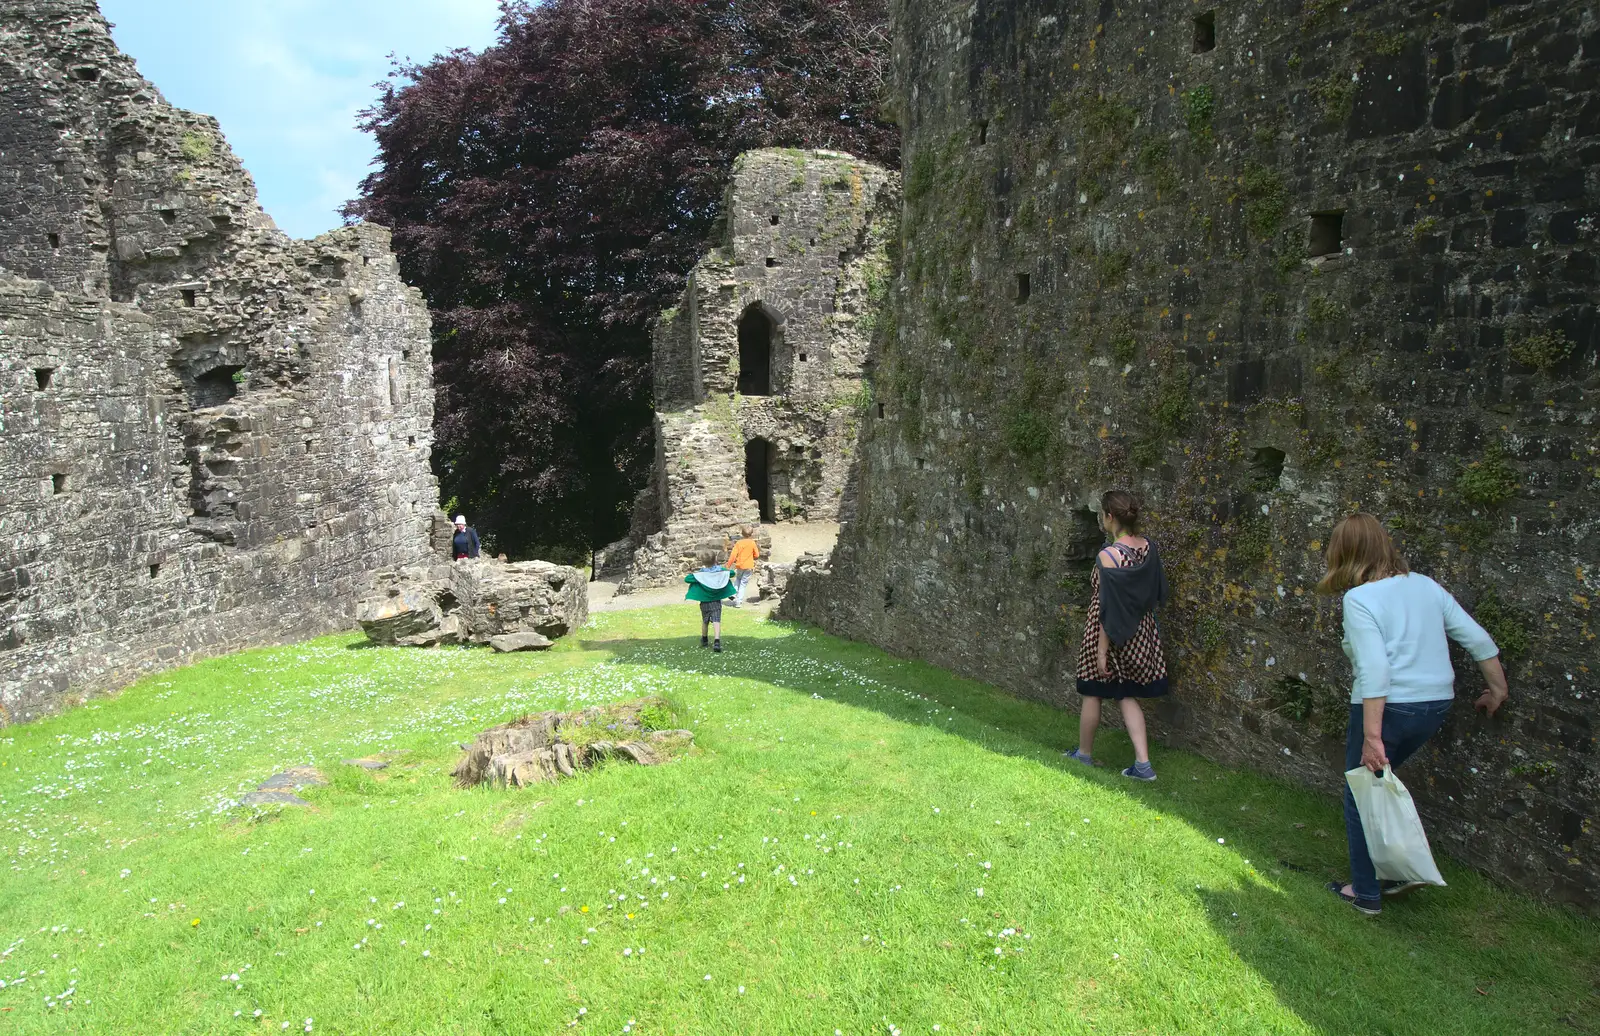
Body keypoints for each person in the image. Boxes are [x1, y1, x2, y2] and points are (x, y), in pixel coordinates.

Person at [1317, 513, 1508, 915]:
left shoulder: (1360, 599)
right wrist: (1498, 688)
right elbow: (1477, 638)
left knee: (1362, 793)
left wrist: (1372, 737)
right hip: (1434, 707)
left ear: (1345, 553)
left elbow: (1374, 670)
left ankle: (1365, 893)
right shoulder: (1425, 586)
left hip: (1387, 710)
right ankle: (1395, 870)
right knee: (1381, 787)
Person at [1065, 490, 1169, 781]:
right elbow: (1153, 589)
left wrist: (1101, 650)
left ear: (1110, 517)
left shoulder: (1108, 556)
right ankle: (1143, 765)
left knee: (1093, 690)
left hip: (1108, 632)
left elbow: (1107, 608)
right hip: (1140, 629)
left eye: (1102, 515)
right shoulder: (1148, 547)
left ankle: (1084, 755)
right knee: (1127, 694)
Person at [684, 546, 738, 652]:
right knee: (716, 620)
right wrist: (720, 570)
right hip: (716, 601)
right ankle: (717, 641)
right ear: (715, 560)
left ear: (703, 562)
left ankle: (704, 639)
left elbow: (687, 579)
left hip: (704, 602)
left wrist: (699, 574)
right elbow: (731, 573)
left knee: (705, 621)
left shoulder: (700, 575)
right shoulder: (720, 571)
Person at [726, 525, 761, 607]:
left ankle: (733, 594)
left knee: (738, 579)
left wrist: (728, 565)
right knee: (743, 584)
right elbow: (757, 555)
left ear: (742, 534)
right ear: (751, 534)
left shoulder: (739, 543)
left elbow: (733, 555)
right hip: (749, 566)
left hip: (740, 566)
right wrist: (752, 557)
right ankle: (738, 602)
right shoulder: (752, 543)